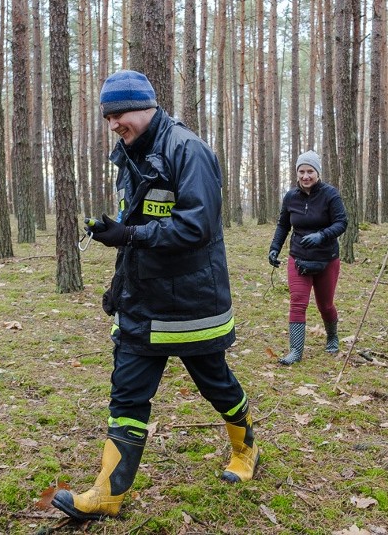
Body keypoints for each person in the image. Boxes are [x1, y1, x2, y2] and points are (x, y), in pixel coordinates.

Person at [51, 70, 259, 521]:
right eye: (108, 117)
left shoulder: (189, 151)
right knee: (126, 395)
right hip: (141, 302)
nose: (113, 124)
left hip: (190, 303)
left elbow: (197, 227)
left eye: (119, 114)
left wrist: (130, 233)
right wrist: (118, 233)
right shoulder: (130, 152)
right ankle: (108, 493)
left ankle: (245, 449)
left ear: (146, 107)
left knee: (216, 385)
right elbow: (142, 218)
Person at [267, 150, 348, 365]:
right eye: (301, 171)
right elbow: (283, 224)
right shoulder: (291, 196)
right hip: (299, 257)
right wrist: (275, 247)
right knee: (297, 302)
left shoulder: (330, 194)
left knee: (325, 305)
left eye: (310, 171)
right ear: (296, 173)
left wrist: (321, 236)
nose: (305, 176)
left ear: (318, 173)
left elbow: (342, 223)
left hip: (327, 258)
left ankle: (332, 336)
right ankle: (295, 351)